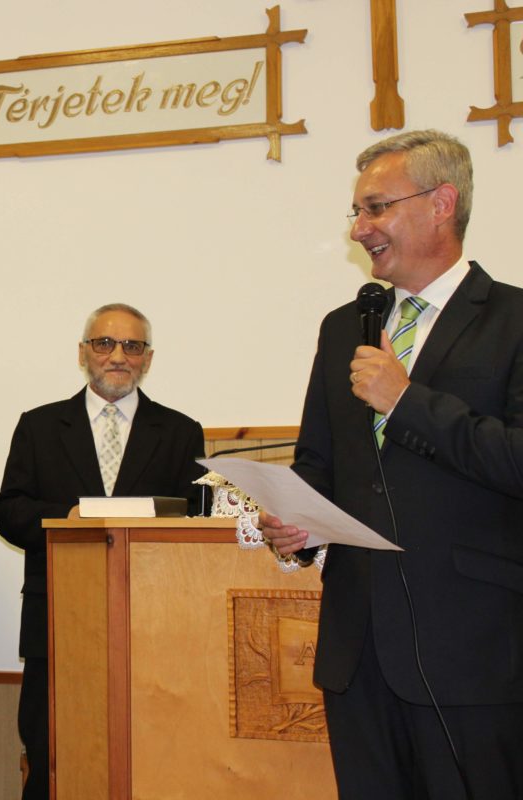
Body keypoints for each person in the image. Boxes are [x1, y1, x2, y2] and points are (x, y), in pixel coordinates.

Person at [261, 130, 523, 797]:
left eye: (376, 208)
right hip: (358, 651)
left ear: (441, 203)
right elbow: (319, 461)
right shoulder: (343, 326)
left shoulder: (515, 320)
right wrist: (296, 523)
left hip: (474, 652)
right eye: (357, 212)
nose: (359, 229)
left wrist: (408, 402)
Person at [0, 303, 205, 800]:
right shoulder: (39, 426)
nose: (118, 356)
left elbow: (196, 524)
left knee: (151, 761)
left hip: (153, 629)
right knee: (51, 758)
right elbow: (8, 509)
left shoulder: (180, 432)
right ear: (83, 353)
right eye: (105, 343)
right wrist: (66, 519)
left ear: (148, 358)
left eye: (132, 346)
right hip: (57, 624)